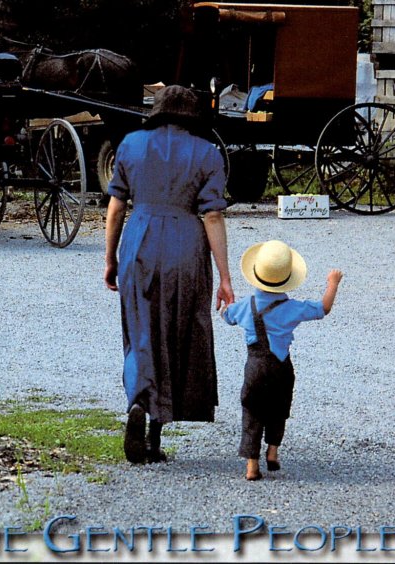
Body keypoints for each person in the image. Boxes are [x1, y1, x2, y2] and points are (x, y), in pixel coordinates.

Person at [104, 85, 234, 464]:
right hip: (184, 245)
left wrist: (110, 258)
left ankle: (139, 402)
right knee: (175, 334)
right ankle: (156, 437)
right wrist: (225, 278)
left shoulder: (130, 144)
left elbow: (115, 209)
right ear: (193, 117)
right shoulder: (207, 154)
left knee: (140, 330)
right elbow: (212, 214)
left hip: (138, 242)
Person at [222, 240, 342, 480]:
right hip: (281, 368)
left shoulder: (246, 305)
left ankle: (251, 466)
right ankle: (273, 452)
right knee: (279, 409)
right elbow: (324, 308)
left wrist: (228, 303)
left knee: (252, 411)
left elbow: (228, 316)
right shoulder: (292, 307)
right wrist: (332, 283)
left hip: (255, 367)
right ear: (288, 278)